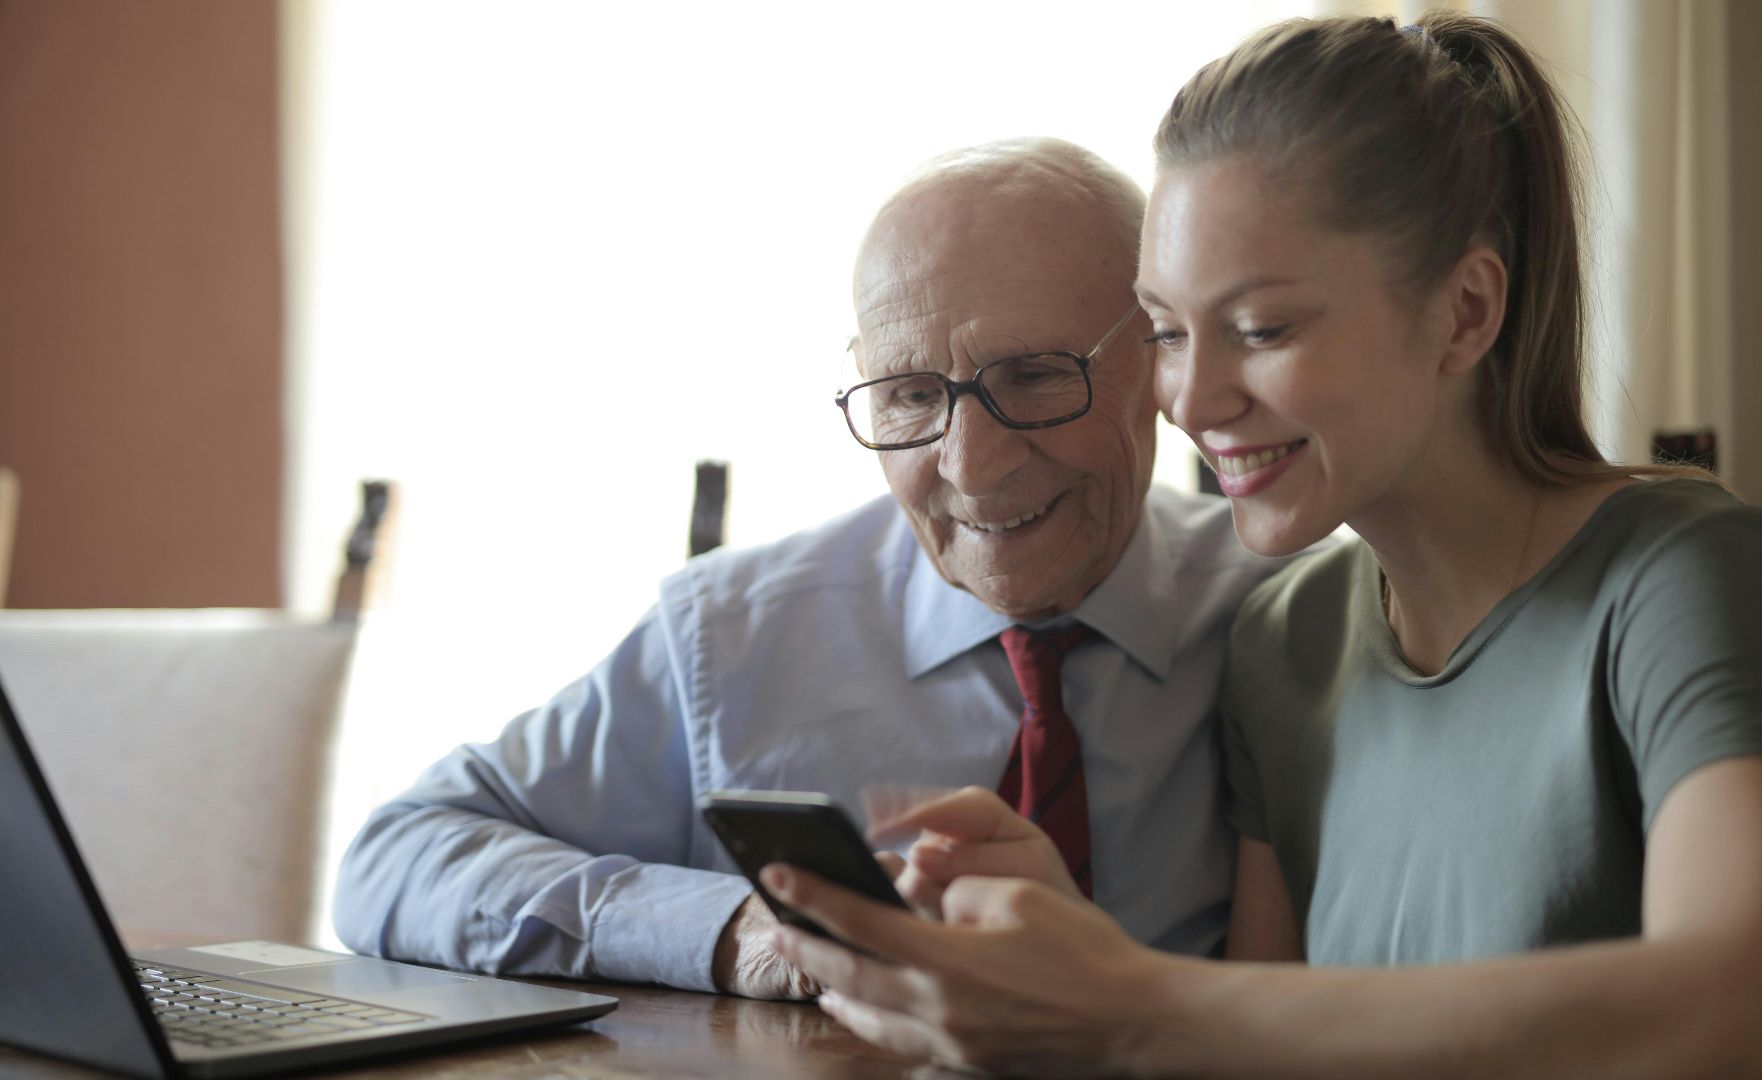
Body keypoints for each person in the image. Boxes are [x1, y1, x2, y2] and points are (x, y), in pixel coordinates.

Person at [765, 12, 1762, 1077]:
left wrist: (1126, 997)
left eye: (1261, 329)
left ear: (1465, 312)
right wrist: (1067, 943)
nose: (1192, 399)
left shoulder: (1680, 570)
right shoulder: (1285, 634)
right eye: (1167, 333)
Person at [330, 137, 1286, 999]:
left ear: (1161, 358)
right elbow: (395, 858)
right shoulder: (734, 637)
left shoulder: (1295, 622)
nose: (970, 464)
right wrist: (730, 930)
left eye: (1034, 377)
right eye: (911, 395)